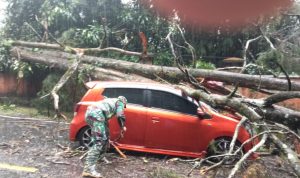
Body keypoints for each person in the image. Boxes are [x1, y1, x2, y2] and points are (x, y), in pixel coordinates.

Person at [82, 96, 127, 178]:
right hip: (96, 115)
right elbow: (120, 115)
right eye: (124, 106)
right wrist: (122, 126)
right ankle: (88, 170)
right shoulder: (119, 102)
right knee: (99, 142)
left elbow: (105, 119)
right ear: (124, 102)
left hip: (92, 115)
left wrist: (107, 132)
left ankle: (100, 157)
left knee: (105, 136)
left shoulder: (110, 100)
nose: (123, 107)